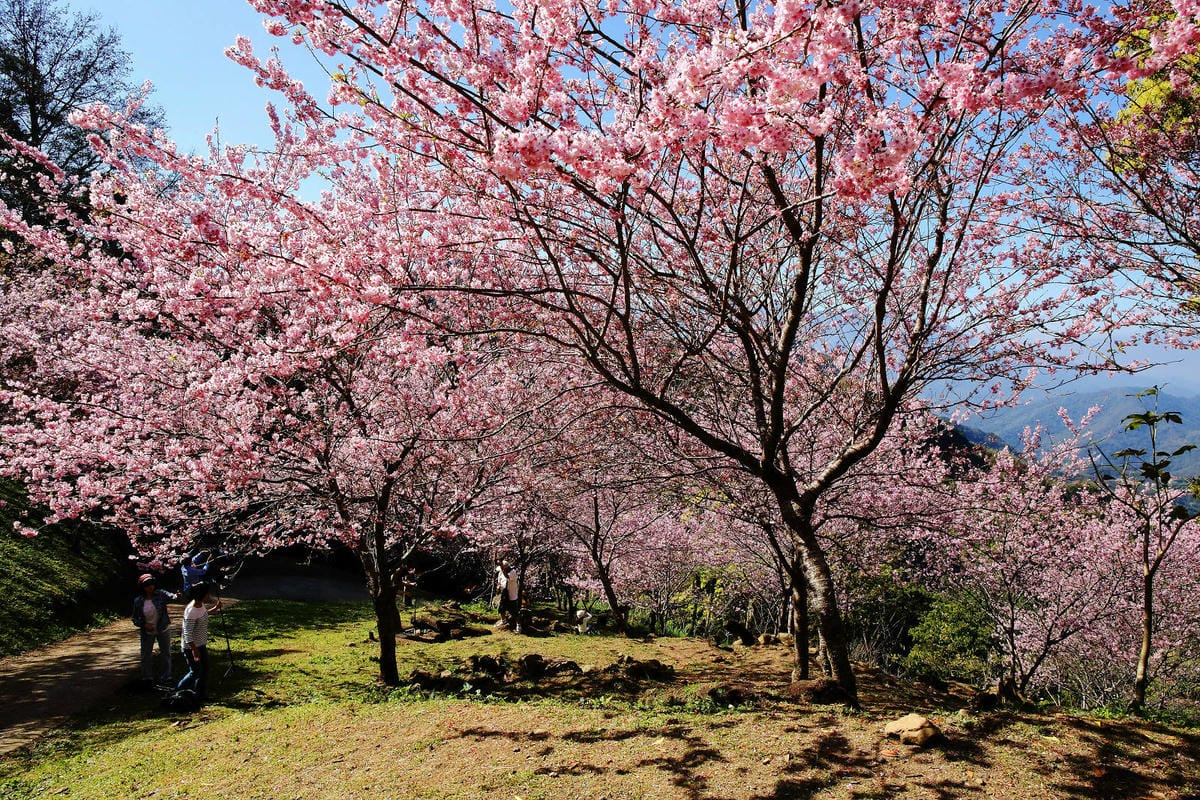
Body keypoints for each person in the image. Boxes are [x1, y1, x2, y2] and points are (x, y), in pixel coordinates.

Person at [176, 582, 222, 702]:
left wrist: (215, 608)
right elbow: (187, 633)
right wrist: (194, 650)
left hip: (200, 644)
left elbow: (204, 614)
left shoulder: (200, 605)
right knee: (195, 672)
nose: (209, 595)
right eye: (207, 593)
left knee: (204, 670)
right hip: (191, 647)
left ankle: (200, 695)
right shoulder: (191, 611)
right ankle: (178, 691)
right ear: (202, 594)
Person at [131, 574, 178, 686]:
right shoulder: (138, 601)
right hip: (147, 632)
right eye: (147, 585)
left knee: (166, 653)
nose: (150, 586)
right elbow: (134, 618)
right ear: (142, 587)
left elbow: (171, 596)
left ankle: (166, 677)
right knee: (146, 655)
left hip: (163, 628)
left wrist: (177, 595)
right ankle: (147, 678)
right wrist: (143, 624)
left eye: (151, 584)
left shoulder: (160, 594)